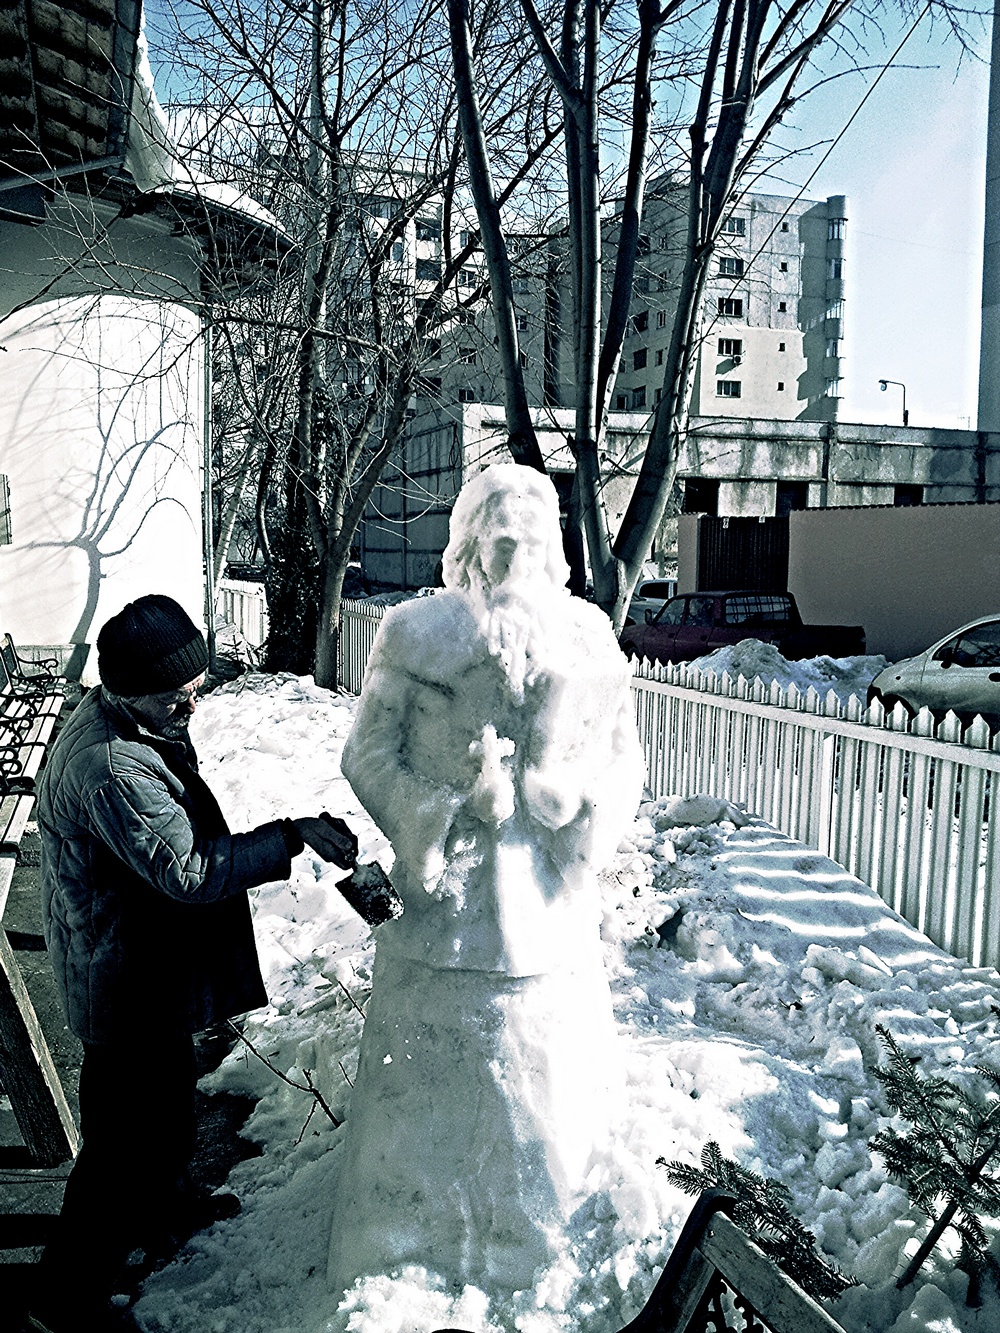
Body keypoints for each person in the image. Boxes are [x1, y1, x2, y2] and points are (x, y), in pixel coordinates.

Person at [328, 464, 645, 1297]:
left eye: (536, 545)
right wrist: (444, 804)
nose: (519, 560)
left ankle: (541, 1249)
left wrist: (573, 802)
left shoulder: (586, 637)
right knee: (431, 1100)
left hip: (548, 912)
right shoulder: (415, 632)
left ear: (556, 554)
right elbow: (366, 754)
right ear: (469, 545)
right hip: (447, 907)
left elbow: (624, 761)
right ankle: (407, 1246)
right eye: (502, 541)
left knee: (545, 1092)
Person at [28, 595, 356, 1333]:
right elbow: (191, 869)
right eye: (176, 695)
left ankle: (164, 1209)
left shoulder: (133, 719)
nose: (192, 704)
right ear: (127, 688)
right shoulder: (113, 765)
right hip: (121, 983)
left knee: (167, 1111)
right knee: (121, 1150)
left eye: (196, 689)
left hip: (139, 963)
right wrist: (289, 836)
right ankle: (61, 1303)